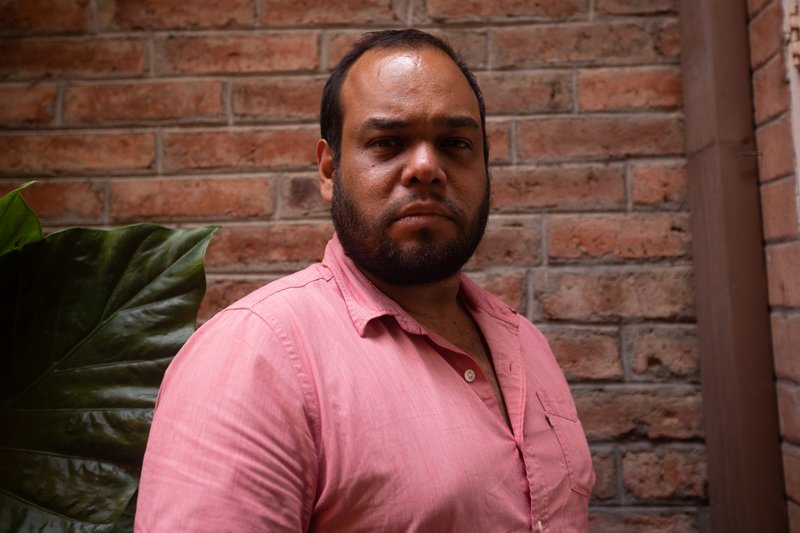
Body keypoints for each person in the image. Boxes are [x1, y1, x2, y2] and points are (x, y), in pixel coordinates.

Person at [135, 29, 595, 532]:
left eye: (455, 143)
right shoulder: (255, 356)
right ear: (330, 169)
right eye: (388, 142)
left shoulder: (526, 345)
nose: (426, 167)